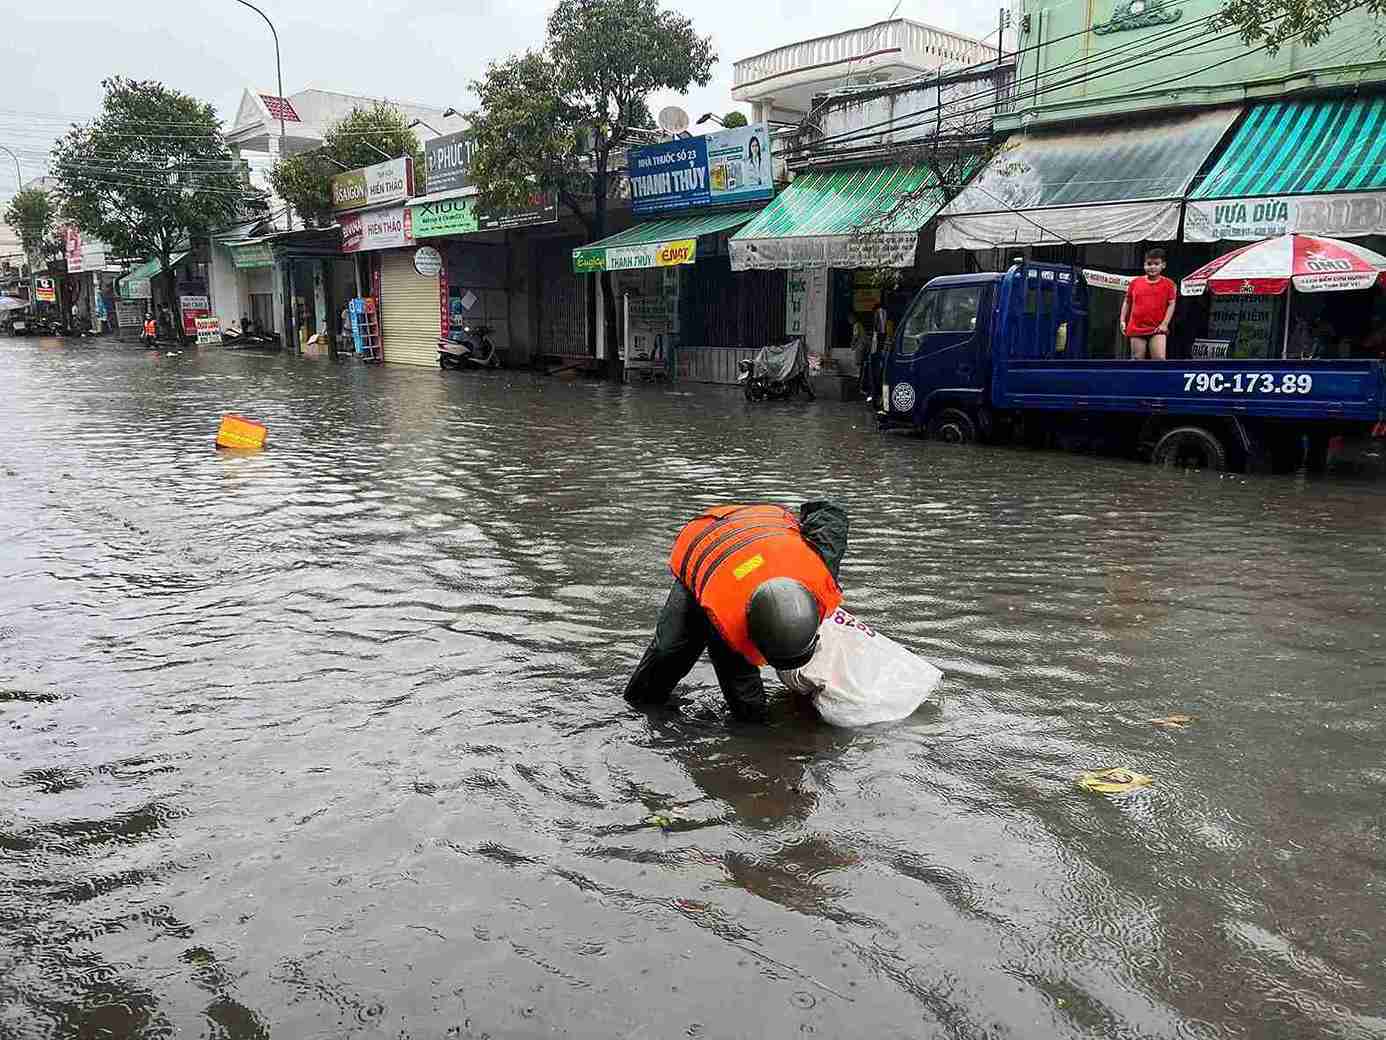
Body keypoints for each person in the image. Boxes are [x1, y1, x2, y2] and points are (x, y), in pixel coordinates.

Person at [624, 501, 850, 723]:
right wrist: (758, 732)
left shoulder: (821, 571)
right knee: (670, 651)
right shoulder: (726, 618)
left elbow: (830, 514)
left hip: (762, 528)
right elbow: (741, 689)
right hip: (708, 544)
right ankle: (639, 706)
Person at [1121, 248, 1177, 360]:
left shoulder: (1169, 284)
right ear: (1144, 265)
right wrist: (1122, 320)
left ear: (1163, 265)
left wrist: (1165, 324)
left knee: (1159, 360)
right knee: (1137, 359)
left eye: (1156, 264)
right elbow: (1127, 302)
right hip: (1137, 327)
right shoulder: (1135, 282)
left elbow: (1171, 304)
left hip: (1157, 328)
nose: (1152, 267)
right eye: (1149, 264)